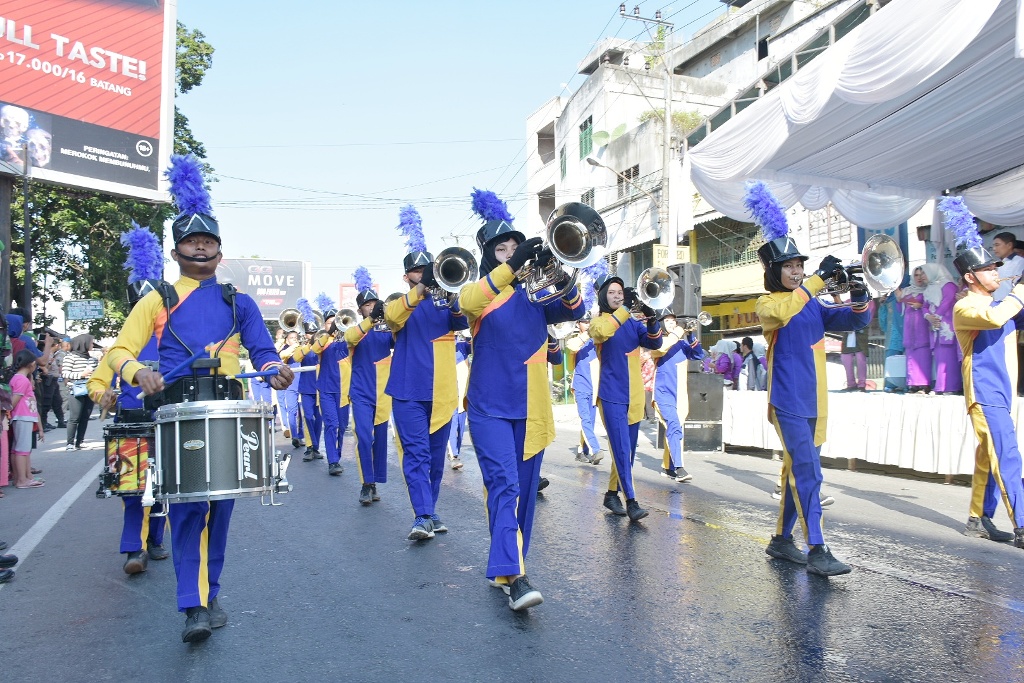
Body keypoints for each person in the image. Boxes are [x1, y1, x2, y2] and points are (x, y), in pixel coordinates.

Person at [105, 153, 294, 643]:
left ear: (219, 249)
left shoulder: (239, 301)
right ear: (177, 251)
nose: (202, 246)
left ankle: (210, 594)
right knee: (190, 510)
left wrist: (274, 370)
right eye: (192, 240)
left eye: (209, 240)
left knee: (221, 512)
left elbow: (264, 349)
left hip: (228, 413)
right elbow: (121, 349)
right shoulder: (160, 298)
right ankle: (194, 605)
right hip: (177, 415)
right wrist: (138, 370)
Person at [457, 194, 585, 611]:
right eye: (501, 249)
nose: (512, 254)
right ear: (488, 257)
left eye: (516, 247)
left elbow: (575, 308)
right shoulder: (480, 293)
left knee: (524, 493)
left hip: (531, 407)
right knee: (505, 486)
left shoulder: (535, 294)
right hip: (488, 406)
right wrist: (514, 267)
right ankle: (517, 577)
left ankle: (506, 567)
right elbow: (467, 305)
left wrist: (559, 269)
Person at [747, 180, 870, 576]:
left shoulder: (813, 304)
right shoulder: (768, 303)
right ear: (774, 271)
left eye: (800, 265)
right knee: (808, 473)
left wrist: (859, 293)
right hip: (788, 401)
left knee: (795, 471)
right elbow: (784, 312)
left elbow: (857, 320)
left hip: (816, 402)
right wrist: (818, 279)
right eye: (790, 266)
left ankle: (782, 541)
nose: (797, 272)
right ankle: (817, 548)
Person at [88, 223, 170, 575]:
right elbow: (96, 382)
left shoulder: (172, 339)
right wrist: (103, 393)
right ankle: (133, 549)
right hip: (129, 425)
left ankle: (155, 540)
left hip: (166, 423)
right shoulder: (120, 344)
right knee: (131, 490)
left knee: (167, 487)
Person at [386, 204, 468, 541]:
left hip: (442, 392)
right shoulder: (399, 303)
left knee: (435, 460)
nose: (425, 274)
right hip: (408, 393)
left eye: (428, 269)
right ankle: (421, 515)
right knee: (416, 456)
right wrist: (420, 291)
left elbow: (465, 321)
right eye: (418, 271)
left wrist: (452, 294)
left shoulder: (446, 302)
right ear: (407, 276)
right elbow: (391, 319)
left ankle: (430, 511)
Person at [951, 234, 1024, 548]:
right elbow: (995, 317)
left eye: (996, 267)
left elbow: (1007, 314)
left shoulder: (999, 304)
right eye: (989, 268)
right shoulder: (964, 307)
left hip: (1001, 394)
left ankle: (978, 517)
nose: (997, 271)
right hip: (984, 393)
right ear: (970, 277)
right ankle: (1022, 523)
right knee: (1006, 455)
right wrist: (1020, 289)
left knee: (987, 457)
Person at [590, 273, 663, 521]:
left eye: (620, 293)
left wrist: (652, 318)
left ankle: (612, 493)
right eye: (612, 293)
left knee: (627, 452)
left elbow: (655, 342)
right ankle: (631, 501)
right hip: (611, 395)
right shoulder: (598, 322)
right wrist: (625, 310)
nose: (618, 296)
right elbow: (602, 334)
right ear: (602, 296)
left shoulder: (631, 323)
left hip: (634, 396)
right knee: (621, 449)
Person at [345, 283, 394, 504]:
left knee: (380, 440)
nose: (372, 307)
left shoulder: (386, 330)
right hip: (361, 393)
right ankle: (366, 483)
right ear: (360, 310)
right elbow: (349, 339)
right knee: (364, 438)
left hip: (383, 393)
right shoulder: (355, 331)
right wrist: (371, 320)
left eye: (375, 303)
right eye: (367, 305)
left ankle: (374, 480)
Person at [651, 310, 705, 482]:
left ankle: (668, 467)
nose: (672, 323)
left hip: (679, 395)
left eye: (673, 321)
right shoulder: (658, 343)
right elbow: (662, 347)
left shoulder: (680, 344)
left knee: (675, 428)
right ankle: (680, 468)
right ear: (660, 324)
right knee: (674, 425)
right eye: (667, 321)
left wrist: (691, 335)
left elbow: (698, 355)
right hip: (663, 394)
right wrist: (679, 331)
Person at [305, 307, 350, 477]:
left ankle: (336, 457)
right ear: (325, 324)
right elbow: (315, 350)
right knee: (332, 424)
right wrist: (328, 333)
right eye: (330, 322)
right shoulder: (323, 340)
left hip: (344, 390)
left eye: (336, 321)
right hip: (326, 390)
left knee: (342, 426)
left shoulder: (348, 338)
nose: (334, 324)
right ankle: (333, 461)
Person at [565, 315, 603, 464]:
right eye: (584, 322)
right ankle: (596, 449)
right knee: (586, 420)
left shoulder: (596, 341)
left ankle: (582, 452)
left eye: (589, 322)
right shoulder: (575, 340)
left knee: (590, 422)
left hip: (594, 387)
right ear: (578, 324)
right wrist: (587, 334)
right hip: (581, 386)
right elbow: (572, 347)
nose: (587, 324)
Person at [922, 263, 962, 395]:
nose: (922, 276)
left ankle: (951, 386)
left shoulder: (948, 285)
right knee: (939, 356)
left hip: (947, 325)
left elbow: (947, 301)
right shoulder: (929, 288)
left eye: (924, 273)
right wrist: (928, 316)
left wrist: (936, 317)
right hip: (935, 326)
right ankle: (940, 386)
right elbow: (925, 305)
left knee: (948, 357)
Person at [10, 350, 44, 489]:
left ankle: (21, 477)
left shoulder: (18, 378)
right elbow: (14, 401)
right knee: (22, 449)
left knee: (17, 449)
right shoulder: (22, 380)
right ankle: (22, 480)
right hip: (23, 416)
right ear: (31, 364)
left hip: (22, 416)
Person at [897, 266, 933, 392]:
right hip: (909, 325)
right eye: (916, 275)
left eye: (920, 274)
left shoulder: (928, 290)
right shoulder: (907, 290)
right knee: (911, 355)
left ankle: (925, 383)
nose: (918, 277)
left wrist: (921, 305)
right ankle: (912, 384)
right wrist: (899, 298)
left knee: (923, 354)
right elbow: (899, 309)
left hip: (922, 325)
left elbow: (932, 306)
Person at [62, 334, 98, 450]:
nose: (92, 345)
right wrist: (81, 375)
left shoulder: (92, 359)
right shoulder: (70, 357)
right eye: (91, 342)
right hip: (76, 390)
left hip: (89, 390)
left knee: (85, 417)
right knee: (74, 417)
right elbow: (65, 374)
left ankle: (80, 441)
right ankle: (70, 443)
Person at [447, 331, 471, 470]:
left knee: (460, 427)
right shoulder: (441, 344)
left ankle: (456, 452)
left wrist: (468, 334)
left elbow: (474, 344)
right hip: (448, 395)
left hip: (463, 394)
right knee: (452, 422)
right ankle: (453, 455)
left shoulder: (462, 345)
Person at [277, 330, 304, 449]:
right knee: (291, 410)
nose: (295, 339)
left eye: (296, 337)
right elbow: (282, 356)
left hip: (302, 383)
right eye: (292, 338)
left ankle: (302, 436)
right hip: (291, 385)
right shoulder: (285, 350)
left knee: (302, 412)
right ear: (287, 340)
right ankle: (295, 436)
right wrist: (293, 345)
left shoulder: (300, 348)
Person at [876, 290, 905, 392]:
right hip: (894, 335)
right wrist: (882, 304)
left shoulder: (910, 293)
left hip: (907, 334)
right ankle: (892, 384)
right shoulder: (888, 299)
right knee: (893, 359)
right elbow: (883, 322)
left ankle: (902, 384)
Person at [992, 231, 1024, 302]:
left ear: (1009, 245)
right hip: (995, 304)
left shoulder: (1020, 262)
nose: (994, 249)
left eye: (997, 245)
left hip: (1013, 305)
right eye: (993, 246)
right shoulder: (995, 264)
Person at [840, 327, 869, 391]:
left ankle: (862, 384)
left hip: (861, 335)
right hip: (847, 336)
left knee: (861, 360)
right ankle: (851, 384)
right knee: (846, 359)